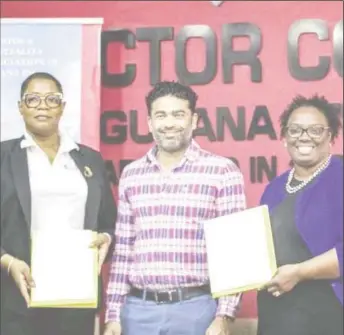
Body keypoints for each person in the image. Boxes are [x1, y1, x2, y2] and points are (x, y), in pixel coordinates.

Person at [104, 81, 247, 335]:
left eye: (178, 114)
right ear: (149, 123)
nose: (169, 123)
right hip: (137, 312)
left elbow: (234, 251)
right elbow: (123, 251)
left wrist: (224, 315)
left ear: (194, 120)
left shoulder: (222, 171)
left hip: (195, 310)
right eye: (161, 115)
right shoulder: (132, 174)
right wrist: (113, 314)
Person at [0, 72, 117, 335]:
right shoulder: (3, 157)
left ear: (62, 107)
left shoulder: (90, 160)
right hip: (16, 298)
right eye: (33, 99)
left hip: (76, 296)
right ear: (20, 107)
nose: (43, 105)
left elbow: (109, 224)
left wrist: (106, 240)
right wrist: (8, 262)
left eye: (52, 99)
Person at [258, 95, 343, 335]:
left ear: (331, 137)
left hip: (328, 316)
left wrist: (299, 273)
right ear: (284, 138)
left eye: (315, 130)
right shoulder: (274, 188)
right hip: (277, 316)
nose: (304, 136)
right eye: (295, 130)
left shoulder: (340, 176)